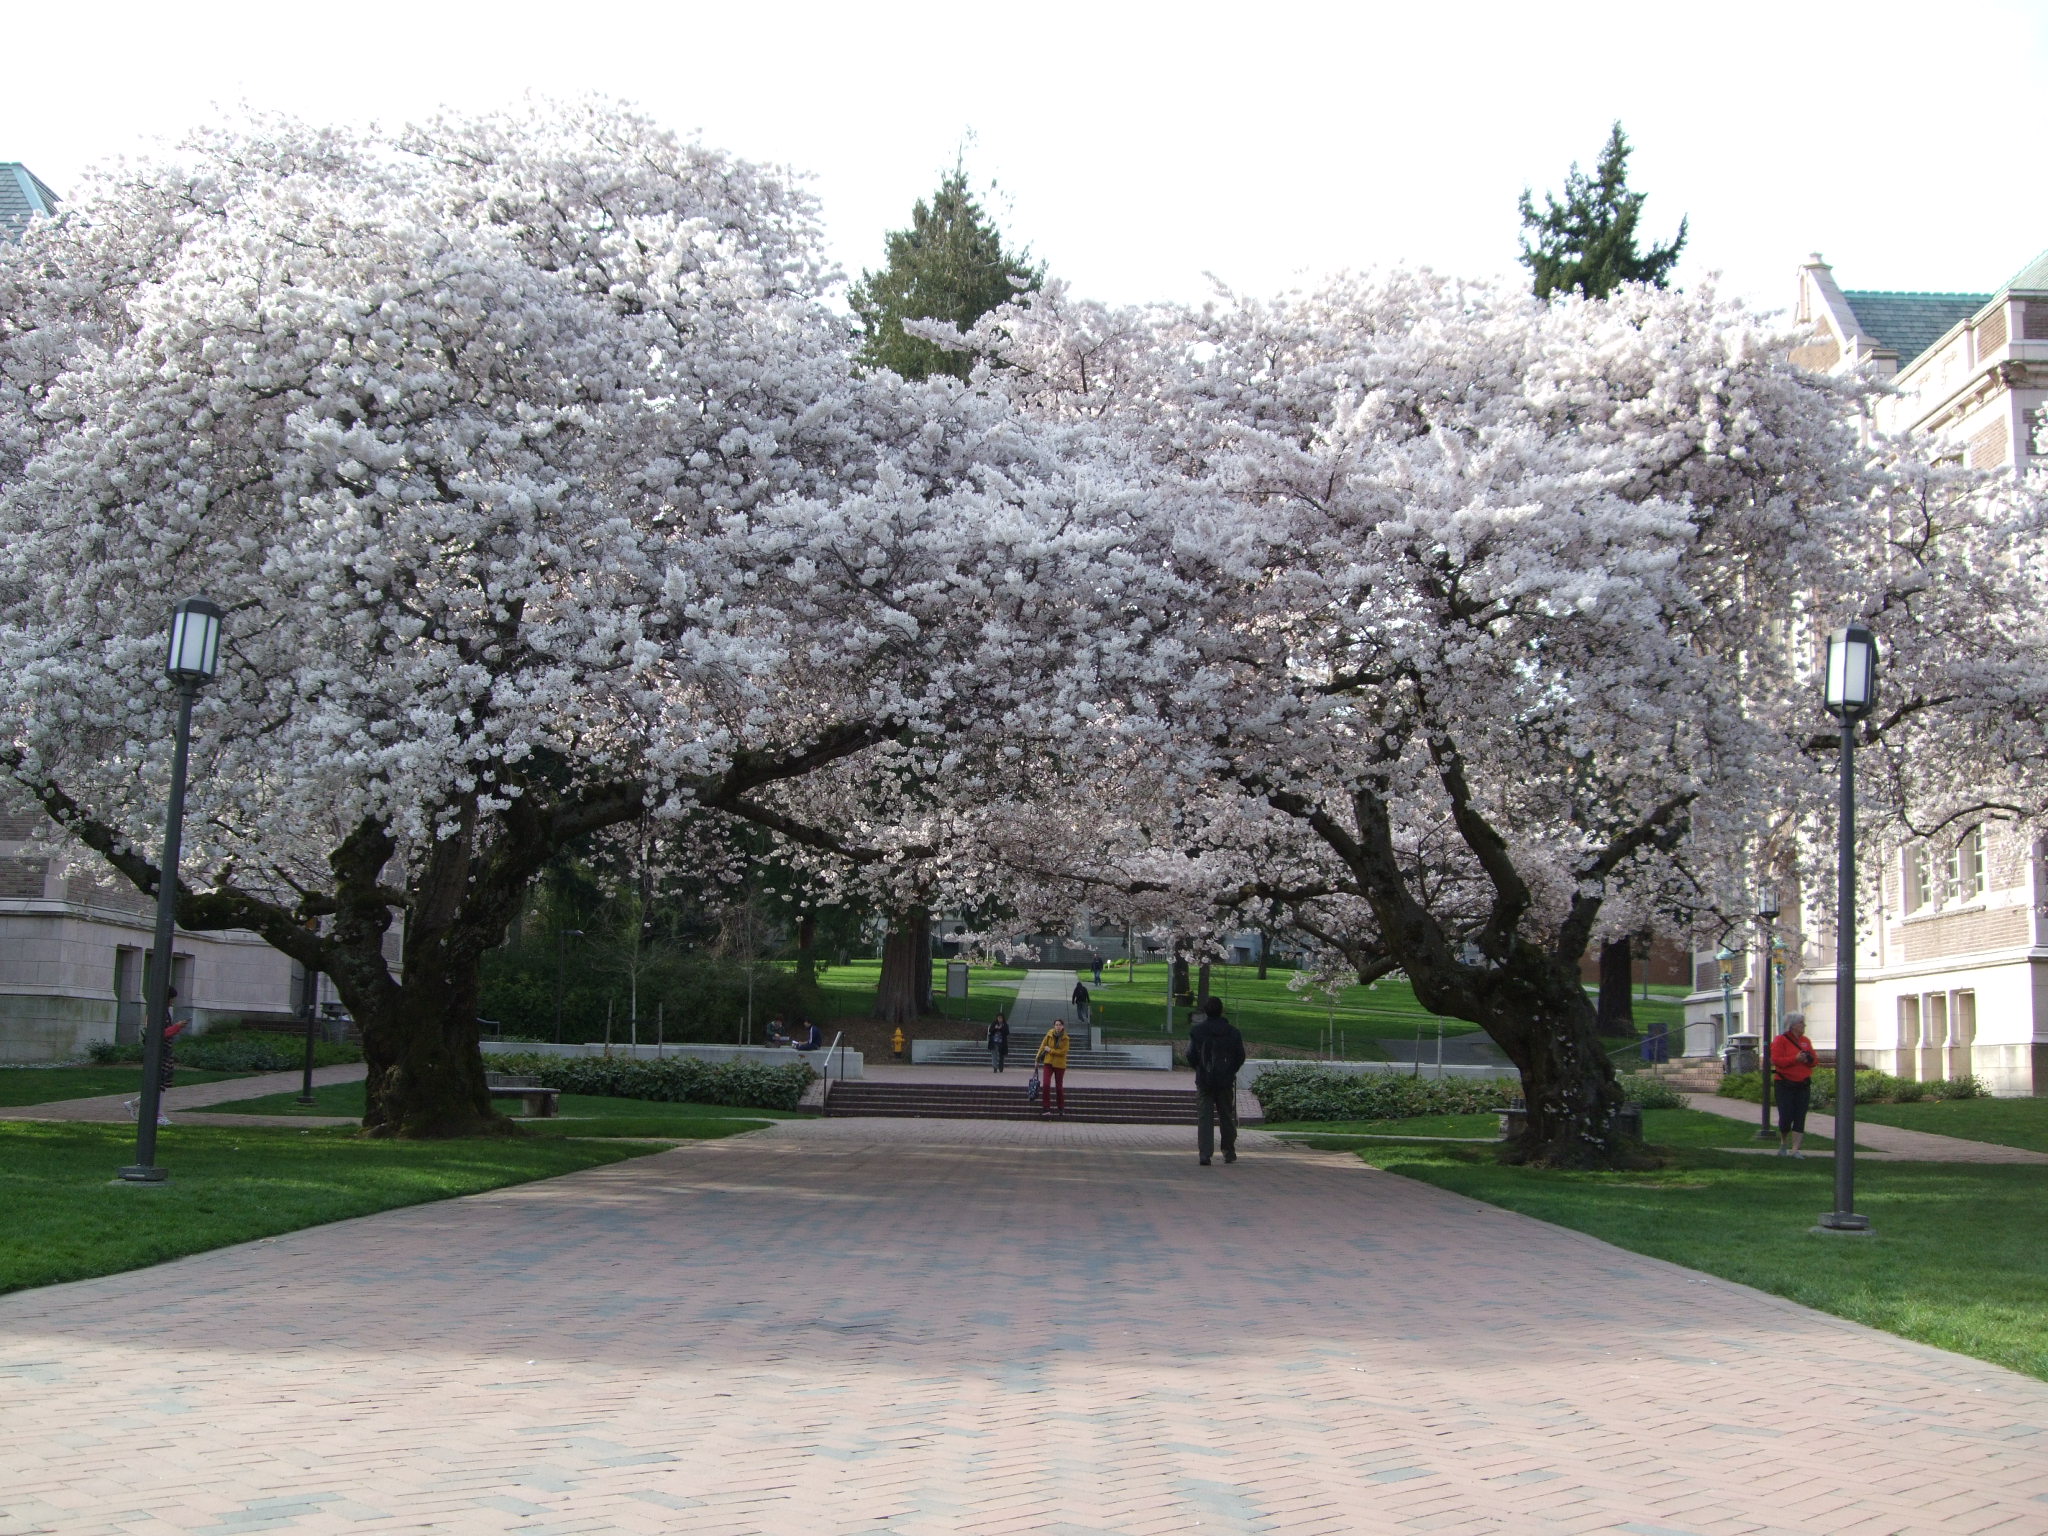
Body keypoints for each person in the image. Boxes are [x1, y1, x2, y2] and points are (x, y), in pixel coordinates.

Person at [1186, 996, 1246, 1166]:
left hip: (1205, 1079)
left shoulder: (1197, 1031)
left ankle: (1205, 1153)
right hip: (1225, 1080)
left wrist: (1199, 1068)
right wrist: (1230, 1070)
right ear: (1222, 1011)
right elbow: (1240, 1056)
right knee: (1226, 1115)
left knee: (1205, 1117)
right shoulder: (1233, 1032)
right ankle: (1228, 1150)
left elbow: (1190, 1054)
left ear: (1205, 1011)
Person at [1770, 1010, 1817, 1157]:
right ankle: (1783, 1143)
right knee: (1786, 1116)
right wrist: (1795, 1059)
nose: (1804, 1025)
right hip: (1785, 1084)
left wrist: (1808, 1059)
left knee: (1800, 1116)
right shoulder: (1780, 1040)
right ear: (1793, 1025)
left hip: (1802, 1084)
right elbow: (1777, 1061)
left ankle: (1795, 1149)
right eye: (1801, 1023)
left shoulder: (1806, 1041)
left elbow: (1814, 1061)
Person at [1036, 1018, 1071, 1116]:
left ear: (1063, 1026)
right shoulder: (1049, 1034)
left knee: (1059, 1086)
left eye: (1060, 1025)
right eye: (1056, 1025)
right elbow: (1042, 1046)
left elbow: (1063, 1052)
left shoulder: (1065, 1038)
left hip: (1060, 1064)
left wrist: (1050, 1050)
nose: (1058, 1027)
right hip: (1048, 1062)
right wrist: (1037, 1058)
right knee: (1046, 1084)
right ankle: (1046, 1108)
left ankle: (1061, 1108)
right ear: (1054, 1026)